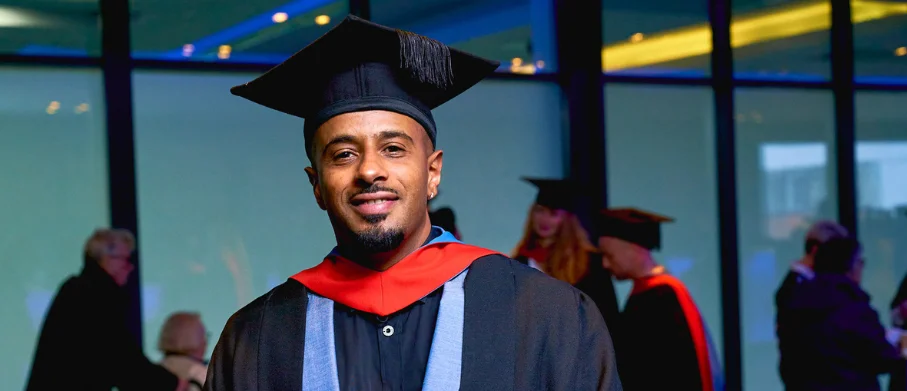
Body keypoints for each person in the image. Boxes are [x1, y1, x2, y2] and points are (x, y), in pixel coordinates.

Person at [204, 15, 621, 391]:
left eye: (394, 148)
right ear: (316, 184)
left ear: (433, 173)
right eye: (343, 154)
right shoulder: (256, 337)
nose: (369, 171)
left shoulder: (547, 317)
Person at [26, 228, 186, 391]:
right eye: (126, 259)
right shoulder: (93, 296)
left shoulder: (78, 290)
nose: (130, 267)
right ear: (106, 259)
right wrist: (171, 384)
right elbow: (122, 358)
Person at [595, 207, 723, 391]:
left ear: (633, 249)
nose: (605, 264)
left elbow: (679, 369)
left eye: (609, 255)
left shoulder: (664, 295)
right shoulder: (646, 293)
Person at [778, 237, 906, 391]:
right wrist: (901, 349)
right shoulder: (853, 309)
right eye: (860, 262)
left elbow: (788, 363)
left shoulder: (795, 305)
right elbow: (881, 357)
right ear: (850, 267)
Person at [511, 177, 620, 333]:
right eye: (540, 211)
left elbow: (606, 317)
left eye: (553, 214)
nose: (544, 220)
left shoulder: (590, 264)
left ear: (566, 219)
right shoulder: (520, 261)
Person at [775, 220, 849, 318]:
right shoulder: (796, 287)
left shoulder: (813, 280)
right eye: (834, 251)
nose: (837, 259)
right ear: (816, 249)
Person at [159, 312, 209, 391]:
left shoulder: (152, 374)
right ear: (194, 341)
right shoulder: (204, 376)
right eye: (203, 336)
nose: (205, 342)